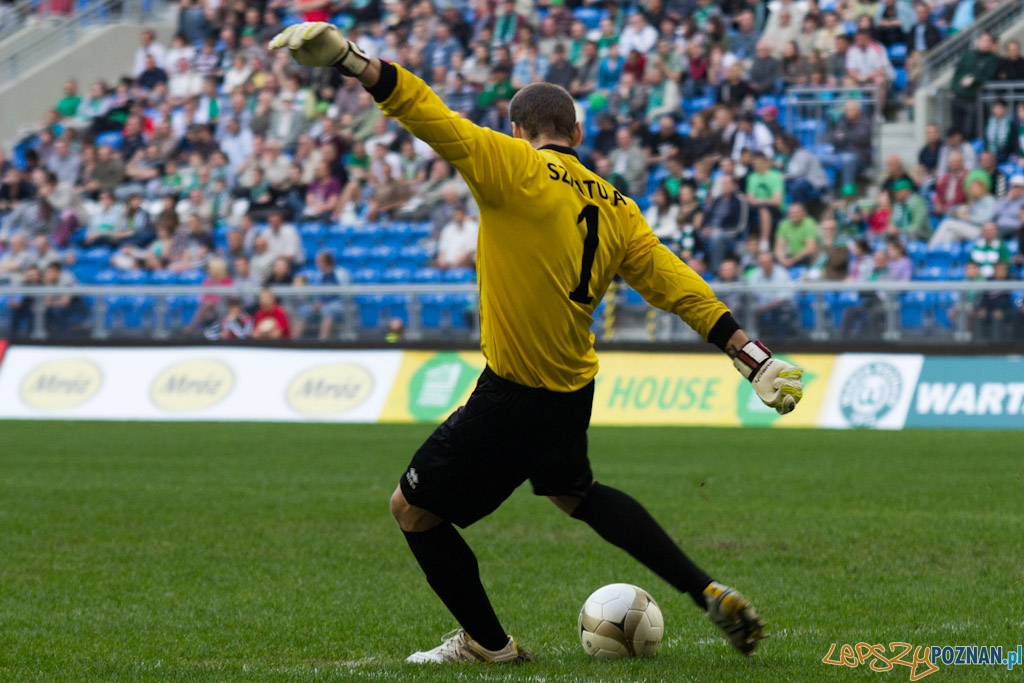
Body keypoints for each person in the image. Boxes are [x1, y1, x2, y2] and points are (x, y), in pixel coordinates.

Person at [271, 22, 805, 664]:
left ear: (518, 129)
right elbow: (678, 286)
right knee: (574, 493)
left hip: (514, 392)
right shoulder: (618, 207)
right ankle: (705, 589)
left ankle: (488, 645)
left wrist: (351, 60)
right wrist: (751, 355)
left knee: (411, 510)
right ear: (577, 132)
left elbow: (428, 114)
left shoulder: (513, 164)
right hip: (572, 388)